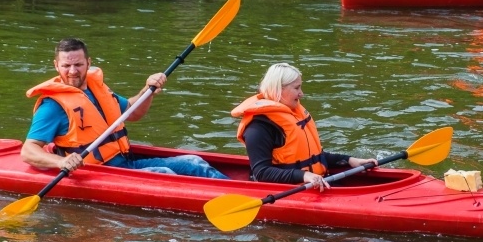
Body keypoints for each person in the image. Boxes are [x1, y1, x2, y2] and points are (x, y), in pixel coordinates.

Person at [21, 38, 229, 179]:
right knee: (165, 174)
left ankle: (240, 196)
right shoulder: (53, 105)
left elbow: (132, 110)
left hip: (125, 163)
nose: (73, 71)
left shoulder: (97, 88)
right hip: (99, 173)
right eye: (66, 66)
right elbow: (29, 151)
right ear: (56, 65)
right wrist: (61, 162)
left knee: (194, 162)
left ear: (88, 63)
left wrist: (148, 90)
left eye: (78, 65)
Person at [231, 62, 377, 191]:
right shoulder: (258, 127)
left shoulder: (295, 113)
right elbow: (262, 173)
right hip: (285, 190)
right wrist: (304, 175)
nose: (301, 93)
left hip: (315, 183)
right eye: (297, 88)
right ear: (278, 89)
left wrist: (350, 160)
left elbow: (315, 157)